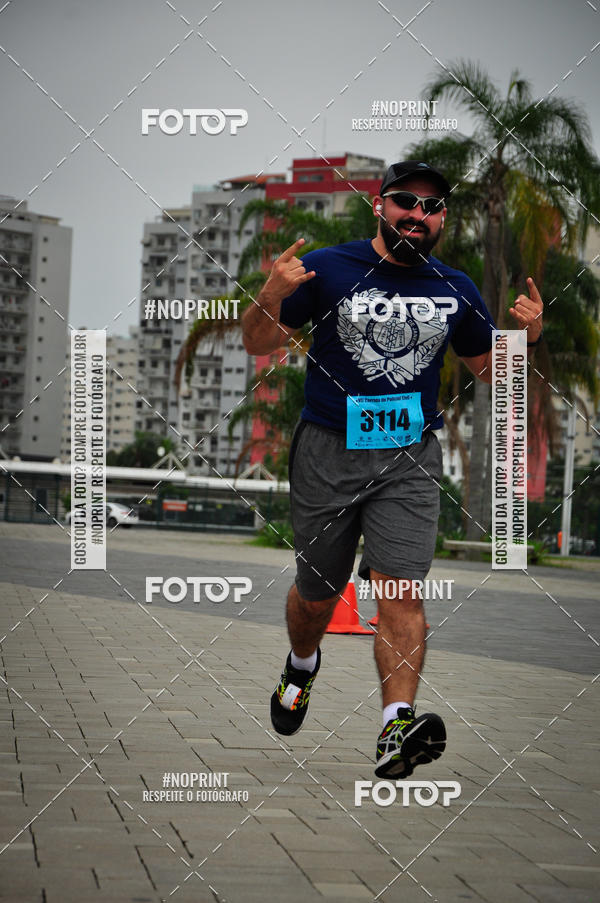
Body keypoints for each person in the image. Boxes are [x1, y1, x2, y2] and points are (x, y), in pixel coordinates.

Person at [242, 160, 544, 778]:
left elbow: (494, 372)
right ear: (380, 206)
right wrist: (272, 292)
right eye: (407, 201)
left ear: (441, 221)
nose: (418, 214)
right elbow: (257, 342)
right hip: (327, 451)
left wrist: (528, 339)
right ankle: (301, 666)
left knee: (401, 591)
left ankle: (393, 730)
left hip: (410, 457)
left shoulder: (454, 287)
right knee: (318, 594)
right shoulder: (328, 267)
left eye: (432, 207)